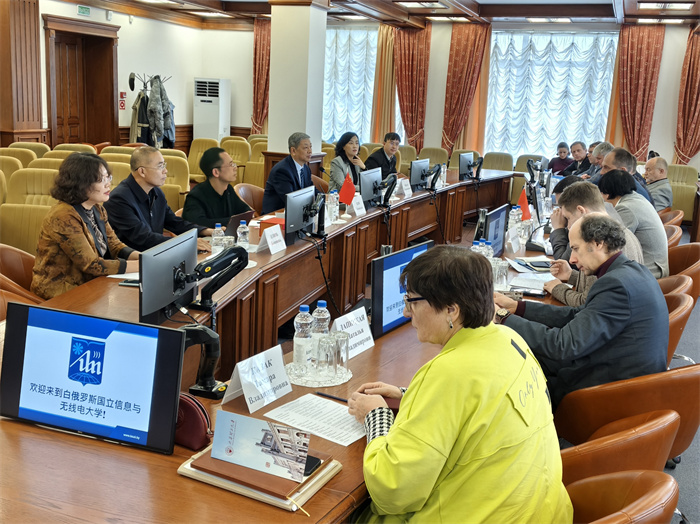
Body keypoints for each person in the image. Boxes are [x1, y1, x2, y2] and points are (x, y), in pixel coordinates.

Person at [348, 246, 572, 524]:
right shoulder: (511, 339)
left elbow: (393, 489)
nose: (406, 312)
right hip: (542, 511)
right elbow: (482, 407)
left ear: (451, 310)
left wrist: (376, 415)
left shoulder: (447, 373)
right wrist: (411, 396)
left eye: (412, 301)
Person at [494, 214, 667, 408]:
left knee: (511, 360)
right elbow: (577, 315)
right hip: (618, 373)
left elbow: (563, 346)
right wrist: (517, 307)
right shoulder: (631, 271)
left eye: (576, 248)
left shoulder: (615, 284)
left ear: (598, 243)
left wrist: (501, 317)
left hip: (608, 395)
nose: (572, 259)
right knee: (527, 352)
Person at [31, 153, 140, 300]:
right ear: (81, 183)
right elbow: (91, 265)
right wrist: (141, 266)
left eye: (108, 177)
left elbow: (114, 245)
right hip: (61, 291)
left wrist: (143, 258)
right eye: (100, 179)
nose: (108, 184)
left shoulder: (97, 208)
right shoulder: (63, 216)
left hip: (91, 285)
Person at [543, 183, 644, 306]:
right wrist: (571, 275)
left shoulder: (600, 241)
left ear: (581, 211)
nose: (568, 226)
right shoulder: (619, 230)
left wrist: (557, 288)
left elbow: (586, 302)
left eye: (568, 218)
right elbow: (597, 283)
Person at [105, 146, 213, 252]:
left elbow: (174, 222)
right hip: (134, 259)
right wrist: (186, 242)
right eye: (160, 166)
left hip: (155, 253)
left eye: (164, 165)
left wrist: (206, 231)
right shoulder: (119, 199)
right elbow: (143, 237)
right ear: (142, 171)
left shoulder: (156, 192)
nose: (165, 171)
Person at [598, 169, 669, 278]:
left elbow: (613, 244)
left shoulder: (626, 208)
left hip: (649, 271)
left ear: (606, 193)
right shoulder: (636, 197)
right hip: (656, 264)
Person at [182, 147, 252, 228]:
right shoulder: (196, 196)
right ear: (216, 172)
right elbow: (197, 223)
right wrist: (233, 220)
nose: (235, 168)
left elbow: (245, 211)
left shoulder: (228, 189)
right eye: (231, 165)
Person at [262, 132, 314, 214]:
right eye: (306, 148)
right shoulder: (282, 171)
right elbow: (291, 200)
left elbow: (310, 190)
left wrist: (324, 197)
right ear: (293, 151)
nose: (310, 151)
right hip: (276, 215)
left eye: (310, 147)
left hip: (295, 213)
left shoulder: (305, 168)